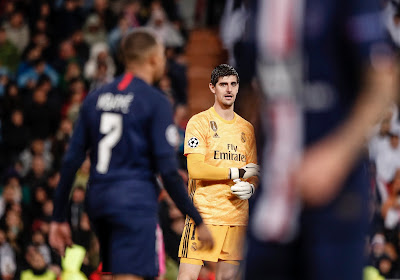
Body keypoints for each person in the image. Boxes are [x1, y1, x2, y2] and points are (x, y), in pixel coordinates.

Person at [244, 0, 399, 280]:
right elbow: (248, 92)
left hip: (337, 196)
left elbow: (383, 79)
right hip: (271, 195)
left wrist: (336, 155)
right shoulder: (254, 8)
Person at [49, 29, 214, 280]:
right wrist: (197, 219)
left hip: (99, 202)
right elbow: (168, 170)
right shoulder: (155, 101)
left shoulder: (95, 98)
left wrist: (58, 217)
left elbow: (71, 161)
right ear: (153, 59)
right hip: (133, 202)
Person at [177, 64, 259, 280]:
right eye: (223, 84)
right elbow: (195, 169)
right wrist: (236, 172)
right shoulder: (199, 122)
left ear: (238, 87)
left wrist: (251, 187)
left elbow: (254, 172)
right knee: (187, 277)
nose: (229, 89)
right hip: (205, 215)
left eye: (233, 84)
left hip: (237, 218)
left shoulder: (247, 129)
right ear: (213, 87)